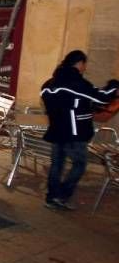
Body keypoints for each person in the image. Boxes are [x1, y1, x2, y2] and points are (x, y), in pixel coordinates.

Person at [41, 50, 118, 210]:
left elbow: (58, 103)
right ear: (79, 63)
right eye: (84, 65)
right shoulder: (77, 83)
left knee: (57, 165)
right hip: (74, 134)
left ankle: (52, 197)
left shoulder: (49, 84)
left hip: (56, 130)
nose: (84, 68)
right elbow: (101, 97)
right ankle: (62, 195)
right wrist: (114, 85)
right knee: (80, 164)